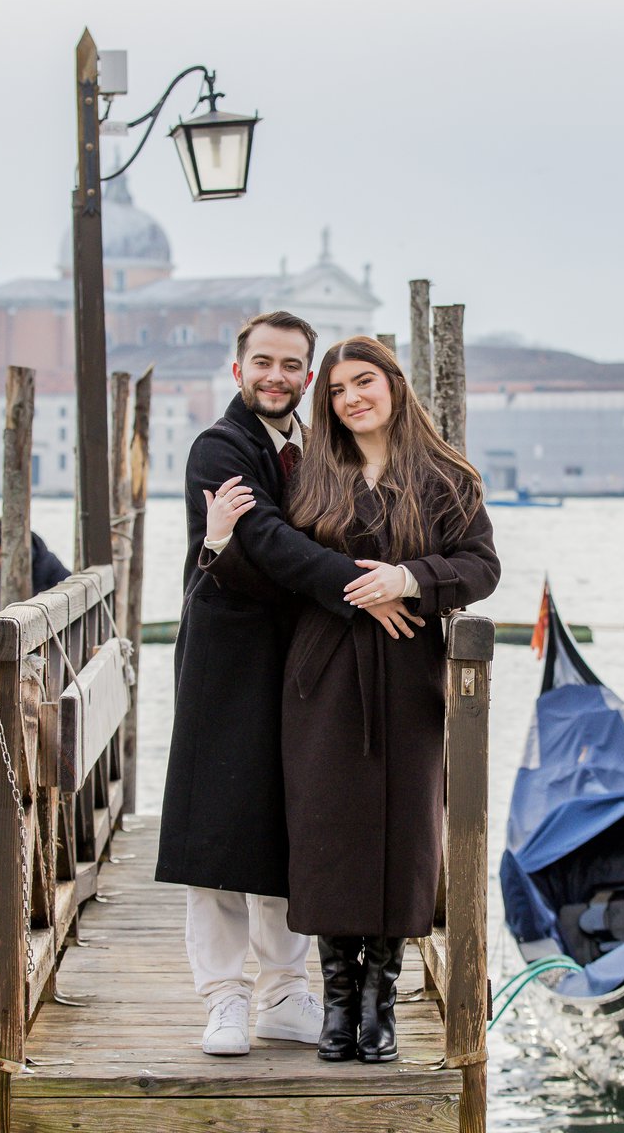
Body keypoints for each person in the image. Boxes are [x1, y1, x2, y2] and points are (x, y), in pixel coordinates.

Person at [201, 334, 499, 1064]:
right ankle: (337, 1000)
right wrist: (218, 545)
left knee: (406, 836)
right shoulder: (311, 477)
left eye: (363, 382)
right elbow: (276, 573)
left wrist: (409, 581)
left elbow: (482, 565)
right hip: (322, 677)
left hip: (410, 676)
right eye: (336, 390)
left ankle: (381, 1000)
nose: (351, 398)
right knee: (328, 832)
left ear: (394, 386)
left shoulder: (447, 477)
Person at [159, 311, 426, 1059]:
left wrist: (412, 575)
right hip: (227, 662)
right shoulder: (221, 447)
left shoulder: (308, 449)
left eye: (291, 366)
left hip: (295, 660)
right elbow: (269, 542)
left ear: (307, 378)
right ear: (237, 368)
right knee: (215, 837)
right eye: (262, 362)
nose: (276, 376)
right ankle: (223, 1001)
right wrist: (370, 588)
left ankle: (284, 993)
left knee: (289, 828)